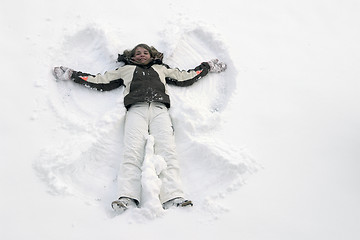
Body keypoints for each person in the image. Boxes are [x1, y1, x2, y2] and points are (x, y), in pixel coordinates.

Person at [53, 43, 227, 213]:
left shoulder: (162, 69)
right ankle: (127, 197)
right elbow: (100, 80)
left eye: (145, 52)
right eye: (137, 53)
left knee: (167, 151)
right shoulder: (125, 70)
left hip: (160, 110)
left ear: (151, 55)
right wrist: (72, 74)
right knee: (132, 151)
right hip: (136, 110)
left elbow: (185, 77)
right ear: (132, 57)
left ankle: (173, 197)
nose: (141, 55)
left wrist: (207, 67)